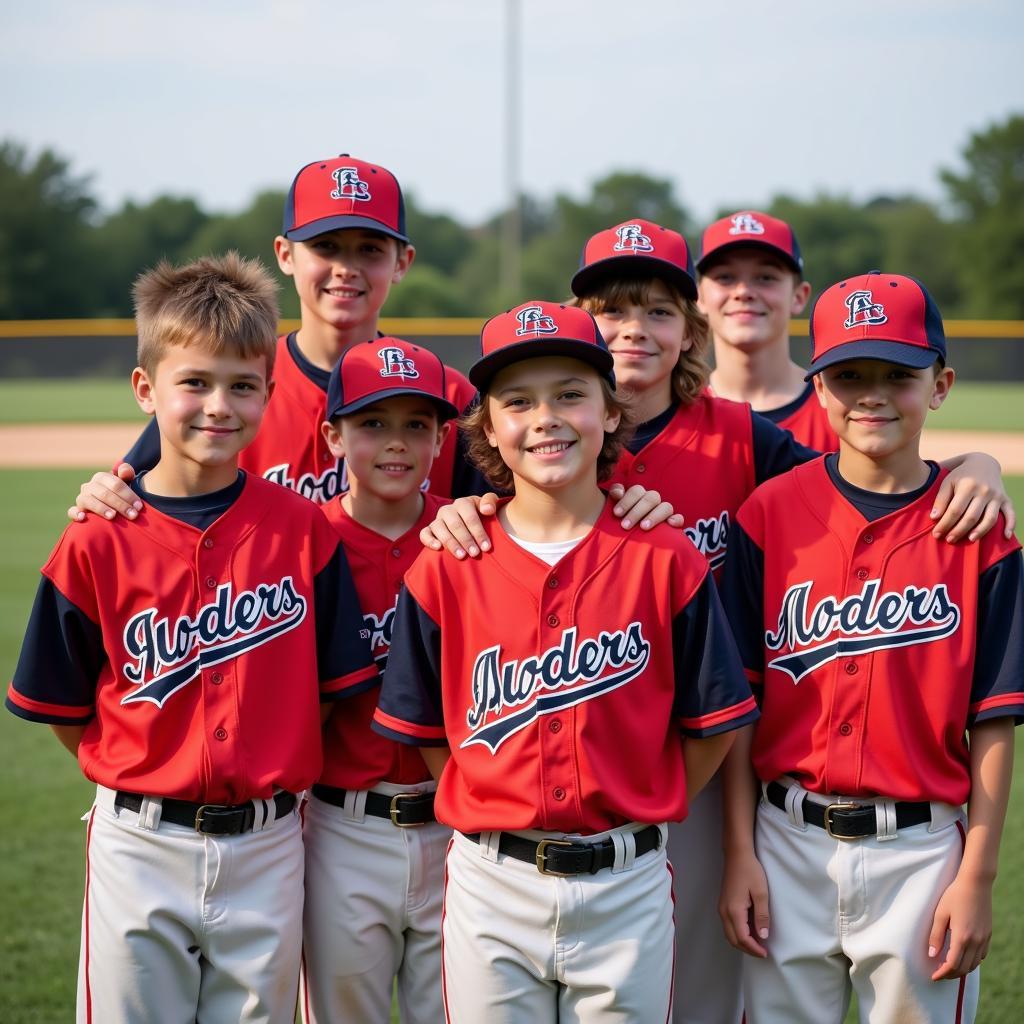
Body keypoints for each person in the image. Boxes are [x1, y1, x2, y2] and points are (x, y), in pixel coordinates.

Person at [424, 218, 1016, 1024]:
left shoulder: (741, 439)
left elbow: (867, 488)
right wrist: (461, 510)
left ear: (690, 327)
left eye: (659, 310)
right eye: (610, 311)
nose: (634, 330)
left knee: (701, 985)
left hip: (704, 759)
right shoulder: (536, 436)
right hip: (563, 769)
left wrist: (974, 466)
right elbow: (446, 501)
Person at [5, 253, 378, 1023]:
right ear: (146, 391)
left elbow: (335, 692)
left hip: (271, 845)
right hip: (139, 845)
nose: (219, 406)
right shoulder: (97, 541)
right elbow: (63, 705)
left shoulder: (304, 533)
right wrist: (145, 768)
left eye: (243, 386)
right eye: (195, 383)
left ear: (269, 396)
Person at [373, 300, 758, 1022]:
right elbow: (429, 734)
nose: (545, 417)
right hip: (493, 881)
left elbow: (713, 725)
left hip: (629, 877)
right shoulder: (448, 564)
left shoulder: (666, 558)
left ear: (611, 413)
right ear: (486, 427)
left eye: (571, 394)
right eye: (518, 401)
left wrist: (645, 793)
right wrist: (492, 797)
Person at [718, 271, 1023, 1023]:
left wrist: (976, 875)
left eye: (898, 375)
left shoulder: (981, 535)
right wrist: (738, 851)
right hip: (785, 839)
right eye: (849, 375)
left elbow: (993, 718)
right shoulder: (769, 514)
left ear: (941, 384)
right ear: (818, 388)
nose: (872, 394)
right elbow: (738, 707)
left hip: (922, 853)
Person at [301, 337, 459, 1023]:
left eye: (415, 426)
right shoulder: (300, 541)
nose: (396, 444)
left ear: (440, 437)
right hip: (342, 826)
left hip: (458, 828)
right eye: (372, 424)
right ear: (333, 435)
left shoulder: (475, 536)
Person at [697, 210, 836, 451]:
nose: (743, 291)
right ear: (699, 296)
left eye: (765, 277)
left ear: (798, 296)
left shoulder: (838, 414)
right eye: (725, 277)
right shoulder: (676, 416)